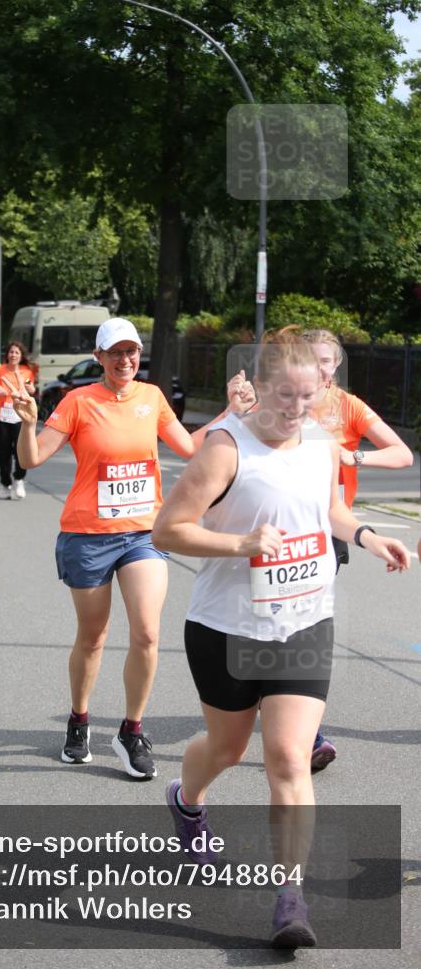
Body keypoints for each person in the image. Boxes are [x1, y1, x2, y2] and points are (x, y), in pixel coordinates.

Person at [151, 329, 410, 947]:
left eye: (308, 396)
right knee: (227, 747)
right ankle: (187, 799)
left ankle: (290, 896)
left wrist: (369, 536)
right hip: (227, 627)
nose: (296, 408)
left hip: (304, 620)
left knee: (291, 758)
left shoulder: (321, 444)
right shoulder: (224, 449)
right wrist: (238, 543)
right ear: (259, 386)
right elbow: (168, 530)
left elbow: (330, 514)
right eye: (286, 395)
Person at [12, 318, 202, 779]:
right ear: (98, 357)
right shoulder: (78, 402)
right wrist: (29, 423)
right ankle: (79, 721)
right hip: (87, 535)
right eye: (115, 352)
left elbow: (192, 449)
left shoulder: (152, 398)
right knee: (93, 637)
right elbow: (32, 459)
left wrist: (232, 417)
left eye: (132, 352)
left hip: (143, 534)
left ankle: (131, 730)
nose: (125, 360)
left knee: (148, 634)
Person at [228, 327, 413, 770]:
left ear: (336, 365)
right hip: (272, 530)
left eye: (329, 360)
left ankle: (302, 728)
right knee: (272, 623)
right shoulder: (280, 399)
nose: (323, 366)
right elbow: (234, 443)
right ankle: (278, 709)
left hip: (330, 528)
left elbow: (403, 454)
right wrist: (233, 411)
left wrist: (354, 457)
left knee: (301, 623)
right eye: (314, 358)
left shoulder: (347, 407)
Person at [0, 341, 35, 499]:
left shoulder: (26, 372)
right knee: (4, 453)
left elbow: (31, 387)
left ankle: (19, 478)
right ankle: (6, 482)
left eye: (17, 353)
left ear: (21, 356)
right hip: (3, 417)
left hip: (21, 417)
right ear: (7, 354)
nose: (13, 355)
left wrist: (31, 389)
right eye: (11, 352)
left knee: (21, 451)